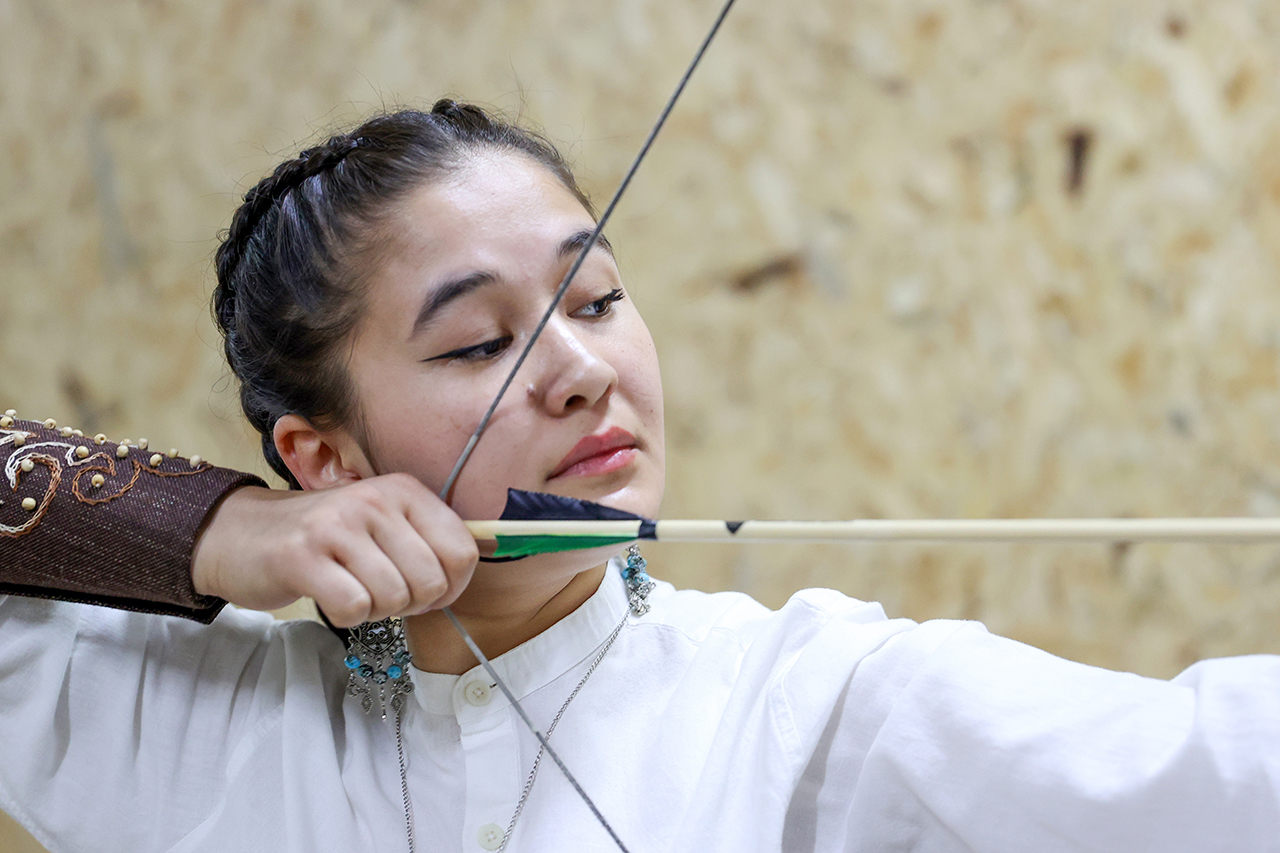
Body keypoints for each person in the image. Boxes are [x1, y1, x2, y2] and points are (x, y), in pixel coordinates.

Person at [2, 100, 1279, 853]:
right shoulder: (186, 719)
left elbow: (1210, 770)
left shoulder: (813, 704)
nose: (579, 371)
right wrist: (228, 533)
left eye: (597, 300)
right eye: (479, 342)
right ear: (323, 456)